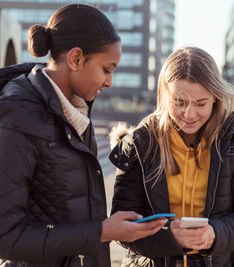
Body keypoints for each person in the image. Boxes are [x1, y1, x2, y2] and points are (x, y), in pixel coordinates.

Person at [0, 4, 166, 267]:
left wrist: (110, 228)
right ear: (76, 59)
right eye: (107, 69)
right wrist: (103, 231)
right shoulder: (19, 118)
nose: (110, 81)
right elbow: (7, 239)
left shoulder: (75, 113)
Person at [109, 47, 234, 267]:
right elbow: (122, 226)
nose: (189, 115)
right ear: (164, 97)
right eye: (179, 103)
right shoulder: (137, 146)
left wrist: (215, 234)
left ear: (215, 97)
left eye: (200, 103)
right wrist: (169, 237)